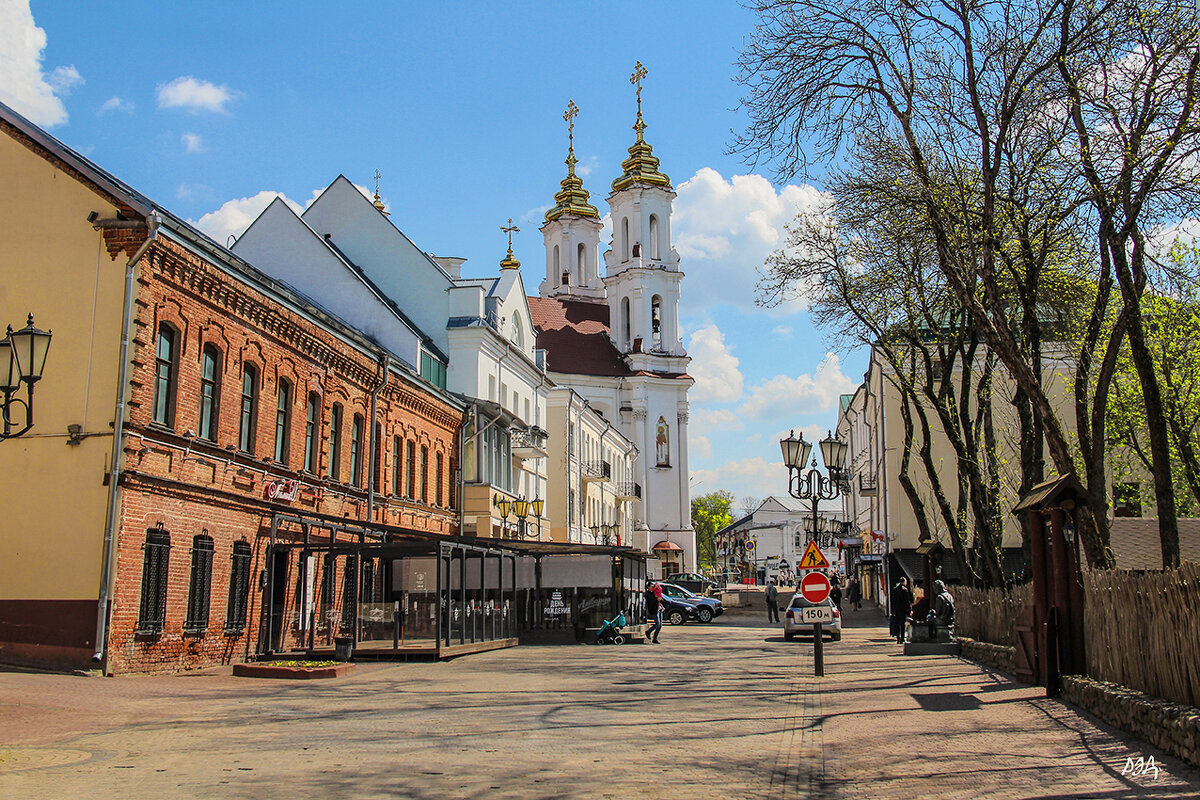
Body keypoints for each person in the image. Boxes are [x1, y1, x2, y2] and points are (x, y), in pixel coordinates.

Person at [890, 576, 913, 644]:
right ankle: (902, 638)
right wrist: (909, 609)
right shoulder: (904, 590)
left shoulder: (894, 590)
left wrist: (893, 610)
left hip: (896, 609)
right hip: (903, 609)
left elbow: (893, 601)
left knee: (897, 624)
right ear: (904, 582)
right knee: (902, 624)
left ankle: (898, 637)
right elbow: (907, 601)